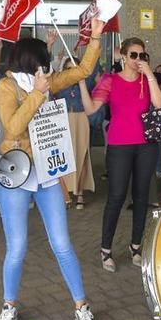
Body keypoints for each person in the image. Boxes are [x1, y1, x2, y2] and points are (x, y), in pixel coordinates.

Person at [0, 20, 102, 320]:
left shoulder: (44, 82)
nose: (49, 66)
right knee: (17, 248)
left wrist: (95, 36)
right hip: (15, 174)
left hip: (48, 175)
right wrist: (38, 95)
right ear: (32, 63)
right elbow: (12, 127)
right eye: (44, 60)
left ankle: (81, 306)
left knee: (63, 244)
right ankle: (9, 304)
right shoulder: (8, 87)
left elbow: (81, 71)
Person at [78, 35, 161, 272]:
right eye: (133, 55)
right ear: (123, 56)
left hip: (146, 145)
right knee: (116, 197)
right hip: (119, 146)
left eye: (142, 55)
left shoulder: (147, 81)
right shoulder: (110, 80)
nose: (138, 59)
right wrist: (80, 83)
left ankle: (136, 246)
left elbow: (158, 104)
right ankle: (106, 249)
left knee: (141, 197)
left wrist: (149, 75)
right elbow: (90, 109)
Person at [51, 35, 102, 210]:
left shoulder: (85, 79)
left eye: (75, 68)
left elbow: (94, 67)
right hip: (63, 120)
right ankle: (64, 194)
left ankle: (79, 192)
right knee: (62, 158)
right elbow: (45, 72)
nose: (72, 72)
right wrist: (49, 45)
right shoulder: (59, 80)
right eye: (69, 69)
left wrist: (93, 44)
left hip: (81, 119)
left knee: (81, 155)